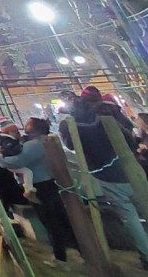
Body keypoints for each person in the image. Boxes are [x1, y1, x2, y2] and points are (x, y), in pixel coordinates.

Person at [60, 97, 148, 269]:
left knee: (130, 219)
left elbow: (70, 144)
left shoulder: (75, 127)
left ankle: (146, 254)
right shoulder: (108, 121)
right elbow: (129, 141)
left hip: (108, 177)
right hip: (132, 172)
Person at [0, 118, 74, 266]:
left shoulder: (34, 145)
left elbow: (18, 161)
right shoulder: (40, 142)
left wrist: (1, 158)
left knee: (50, 221)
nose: (24, 126)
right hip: (47, 184)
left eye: (27, 124)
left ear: (33, 128)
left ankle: (61, 258)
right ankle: (72, 251)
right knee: (57, 220)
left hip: (41, 186)